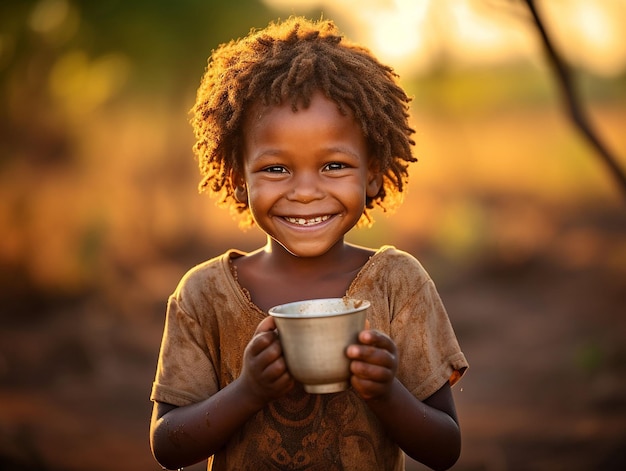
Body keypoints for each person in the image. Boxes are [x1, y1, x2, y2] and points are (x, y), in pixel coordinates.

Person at [150, 16, 468, 471]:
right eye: (276, 169)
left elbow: (445, 449)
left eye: (334, 166)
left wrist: (386, 392)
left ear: (373, 173)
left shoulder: (399, 283)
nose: (304, 191)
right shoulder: (203, 296)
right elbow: (168, 445)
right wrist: (248, 391)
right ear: (239, 180)